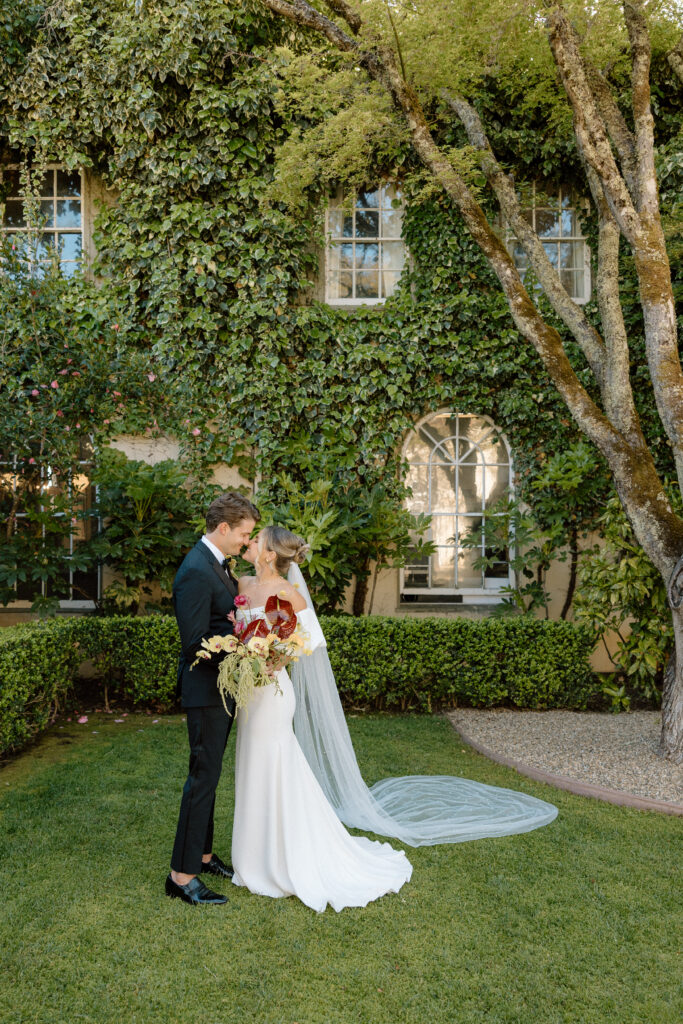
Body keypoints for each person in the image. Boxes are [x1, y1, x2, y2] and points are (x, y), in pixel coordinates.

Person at [232, 525, 413, 912]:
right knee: (252, 767)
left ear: (268, 554)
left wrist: (273, 660)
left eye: (256, 539)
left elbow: (309, 641)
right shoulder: (243, 580)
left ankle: (286, 858)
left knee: (276, 766)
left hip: (273, 693)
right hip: (249, 694)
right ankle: (255, 856)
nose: (250, 542)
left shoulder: (289, 593)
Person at [166, 491, 259, 906]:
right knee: (201, 779)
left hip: (220, 687)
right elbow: (194, 644)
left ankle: (202, 856)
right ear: (223, 528)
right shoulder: (195, 571)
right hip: (205, 691)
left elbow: (224, 618)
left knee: (211, 775)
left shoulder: (217, 564)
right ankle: (182, 877)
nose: (245, 541)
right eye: (244, 534)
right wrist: (246, 649)